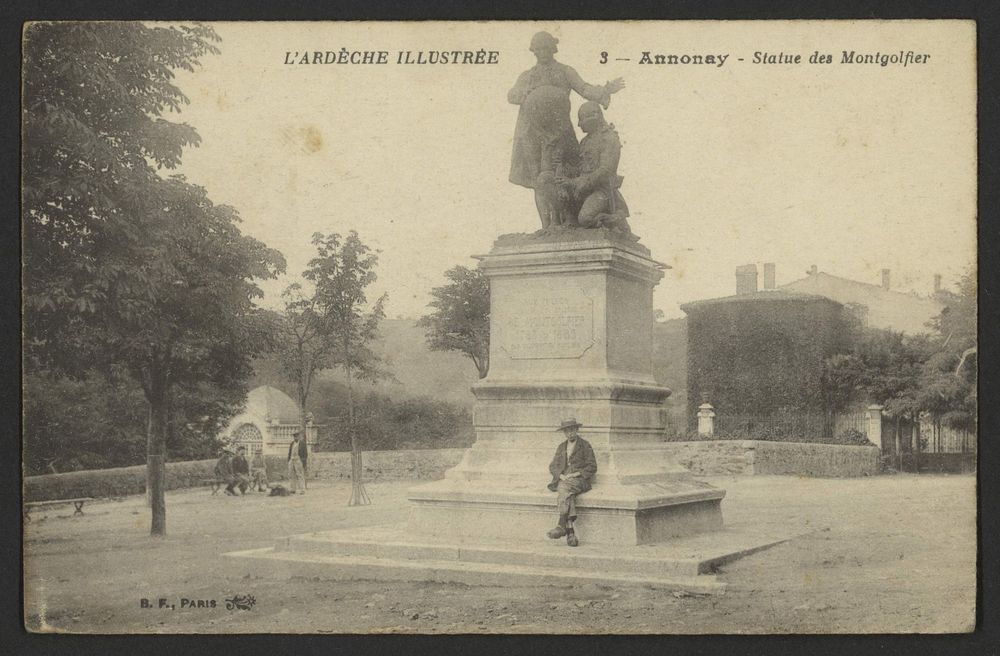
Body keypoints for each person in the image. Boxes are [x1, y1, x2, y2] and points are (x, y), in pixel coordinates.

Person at [508, 31, 625, 228]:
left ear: (553, 49)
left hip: (559, 129)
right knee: (538, 179)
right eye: (537, 49)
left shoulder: (565, 71)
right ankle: (547, 227)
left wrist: (604, 90)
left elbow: (584, 88)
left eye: (545, 48)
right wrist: (524, 93)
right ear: (533, 51)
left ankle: (566, 220)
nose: (541, 52)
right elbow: (511, 95)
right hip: (530, 130)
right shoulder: (526, 76)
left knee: (560, 172)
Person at [554, 101, 632, 234]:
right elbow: (580, 168)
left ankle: (615, 220)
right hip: (581, 190)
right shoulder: (585, 142)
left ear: (593, 117)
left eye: (581, 119)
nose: (579, 124)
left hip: (602, 191)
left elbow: (606, 170)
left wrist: (578, 182)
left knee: (585, 219)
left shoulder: (609, 138)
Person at [546, 418, 598, 547]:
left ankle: (560, 524)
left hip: (580, 480)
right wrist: (561, 475)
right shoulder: (561, 447)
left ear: (577, 430)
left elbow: (592, 466)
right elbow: (552, 466)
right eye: (567, 431)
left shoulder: (585, 445)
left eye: (572, 430)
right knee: (567, 493)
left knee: (563, 489)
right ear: (564, 433)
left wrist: (576, 474)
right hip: (565, 481)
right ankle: (570, 532)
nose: (570, 433)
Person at [287, 430, 308, 495]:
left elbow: (305, 454)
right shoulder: (292, 443)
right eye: (294, 436)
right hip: (292, 460)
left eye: (296, 436)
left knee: (300, 475)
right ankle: (293, 489)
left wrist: (302, 462)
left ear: (299, 436)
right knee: (291, 475)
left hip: (298, 460)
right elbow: (289, 453)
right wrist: (289, 460)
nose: (295, 437)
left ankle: (302, 490)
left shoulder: (302, 444)